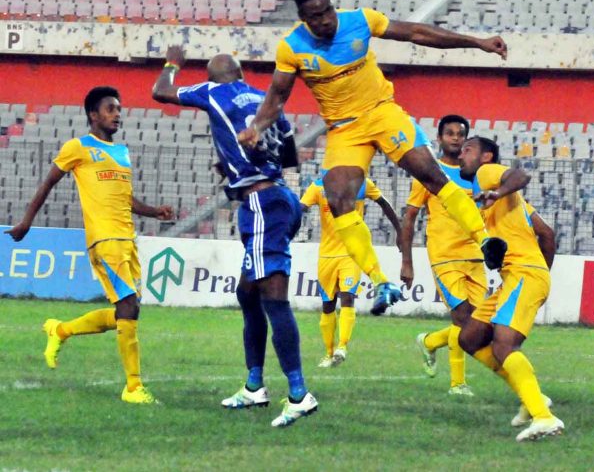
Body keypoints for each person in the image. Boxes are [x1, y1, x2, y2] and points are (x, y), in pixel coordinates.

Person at [237, 0, 509, 317]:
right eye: (314, 17)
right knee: (337, 200)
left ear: (332, 5)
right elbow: (277, 96)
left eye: (327, 12)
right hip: (344, 129)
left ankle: (485, 241)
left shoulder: (361, 21)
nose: (324, 21)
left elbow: (416, 33)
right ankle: (381, 281)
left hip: (382, 113)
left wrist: (477, 43)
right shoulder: (291, 48)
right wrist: (256, 127)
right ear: (303, 19)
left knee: (432, 176)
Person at [152, 46, 317, 427]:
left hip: (261, 203)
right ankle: (255, 386)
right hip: (279, 197)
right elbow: (290, 153)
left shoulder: (212, 92)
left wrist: (172, 63)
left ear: (213, 77)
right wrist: (240, 160)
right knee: (248, 293)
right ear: (242, 74)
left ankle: (298, 394)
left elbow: (161, 92)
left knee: (274, 297)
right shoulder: (264, 99)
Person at [5, 86, 174, 404]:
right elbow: (48, 182)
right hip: (104, 238)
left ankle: (61, 330)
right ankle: (133, 388)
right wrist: (26, 221)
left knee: (126, 312)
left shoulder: (122, 152)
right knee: (128, 307)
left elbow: (124, 198)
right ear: (93, 115)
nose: (117, 114)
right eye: (110, 109)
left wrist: (154, 211)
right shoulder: (78, 147)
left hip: (127, 237)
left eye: (119, 109)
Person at [455, 136, 564, 442]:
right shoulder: (512, 203)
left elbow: (520, 175)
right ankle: (535, 399)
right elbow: (547, 234)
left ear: (486, 156)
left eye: (468, 149)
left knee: (503, 345)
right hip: (518, 277)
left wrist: (533, 275)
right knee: (470, 337)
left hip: (523, 275)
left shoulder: (487, 174)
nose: (462, 155)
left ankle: (544, 417)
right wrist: (542, 273)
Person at [400, 114, 485, 396]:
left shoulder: (476, 176)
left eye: (460, 134)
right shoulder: (428, 173)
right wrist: (407, 262)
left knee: (478, 324)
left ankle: (430, 342)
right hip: (444, 256)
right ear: (439, 138)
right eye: (449, 133)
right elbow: (410, 218)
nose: (455, 138)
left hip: (475, 257)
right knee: (462, 318)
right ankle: (458, 384)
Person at [301, 176, 402, 367]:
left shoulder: (362, 182)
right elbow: (301, 208)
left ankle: (342, 347)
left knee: (347, 297)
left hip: (351, 252)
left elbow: (384, 203)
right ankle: (329, 354)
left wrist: (399, 230)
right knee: (328, 305)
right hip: (326, 255)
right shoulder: (318, 186)